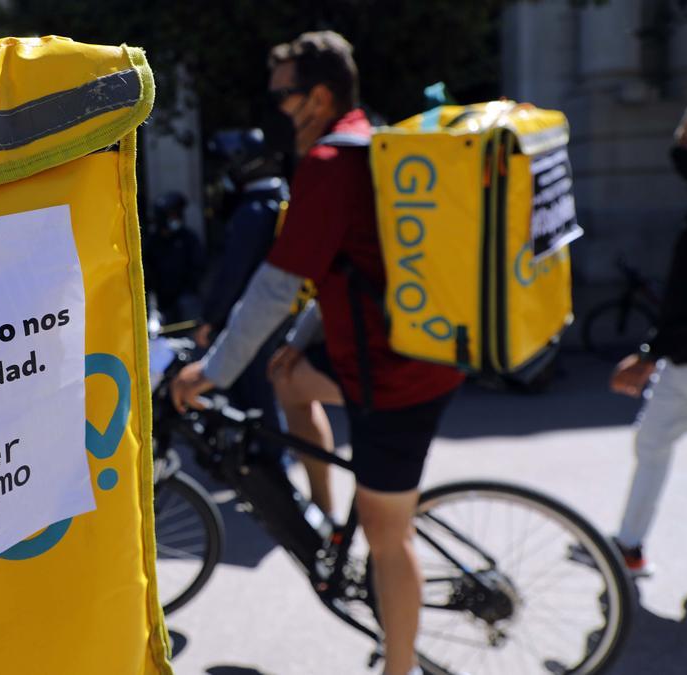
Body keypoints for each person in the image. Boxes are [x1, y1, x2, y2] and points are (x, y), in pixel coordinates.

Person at [170, 31, 463, 675]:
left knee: (390, 540)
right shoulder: (368, 138)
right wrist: (294, 346)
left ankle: (400, 667)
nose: (274, 108)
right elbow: (342, 272)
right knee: (288, 380)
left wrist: (212, 371)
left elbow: (276, 286)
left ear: (319, 96)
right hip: (388, 351)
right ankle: (331, 519)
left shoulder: (331, 164)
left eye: (283, 95)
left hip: (395, 377)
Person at [197, 128, 343, 514]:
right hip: (287, 320)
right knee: (278, 393)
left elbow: (244, 276)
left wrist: (211, 321)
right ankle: (310, 501)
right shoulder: (282, 198)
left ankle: (276, 485)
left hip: (255, 323)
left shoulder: (253, 210)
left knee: (261, 402)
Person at [611, 100, 687, 576]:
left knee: (651, 445)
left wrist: (650, 354)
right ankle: (627, 546)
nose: (681, 144)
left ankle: (627, 547)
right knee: (651, 444)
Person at [143, 192, 205, 324]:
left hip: (185, 299)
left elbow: (198, 267)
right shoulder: (152, 242)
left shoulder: (188, 239)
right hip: (161, 303)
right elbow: (147, 274)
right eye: (172, 215)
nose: (176, 219)